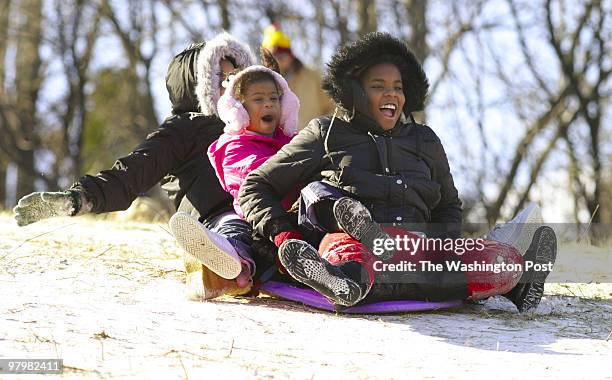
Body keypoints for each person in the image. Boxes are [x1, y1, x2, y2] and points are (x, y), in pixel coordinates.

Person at [239, 32, 557, 312]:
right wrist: (285, 235)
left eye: (398, 87)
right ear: (355, 92)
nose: (392, 94)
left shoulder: (426, 140)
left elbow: (448, 205)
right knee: (347, 256)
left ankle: (517, 280)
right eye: (378, 86)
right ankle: (345, 281)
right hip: (359, 243)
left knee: (498, 260)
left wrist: (444, 246)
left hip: (419, 250)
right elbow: (255, 186)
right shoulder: (326, 133)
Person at [12, 33, 257, 300]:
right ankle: (224, 267)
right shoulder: (187, 128)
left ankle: (297, 258)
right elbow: (136, 169)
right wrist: (80, 198)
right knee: (233, 226)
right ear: (199, 87)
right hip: (221, 214)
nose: (232, 87)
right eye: (223, 79)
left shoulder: (258, 125)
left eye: (237, 78)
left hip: (266, 212)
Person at [169, 62, 300, 291]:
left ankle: (222, 277)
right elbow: (253, 177)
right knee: (237, 232)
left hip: (291, 218)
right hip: (256, 218)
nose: (268, 103)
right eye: (258, 99)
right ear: (238, 110)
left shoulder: (291, 141)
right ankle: (233, 261)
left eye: (274, 98)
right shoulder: (234, 146)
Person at [261, 24, 334, 130]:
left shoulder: (313, 76)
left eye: (282, 57)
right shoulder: (261, 83)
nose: (278, 62)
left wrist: (321, 129)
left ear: (290, 55)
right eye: (273, 58)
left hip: (314, 140)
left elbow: (334, 107)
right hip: (278, 144)